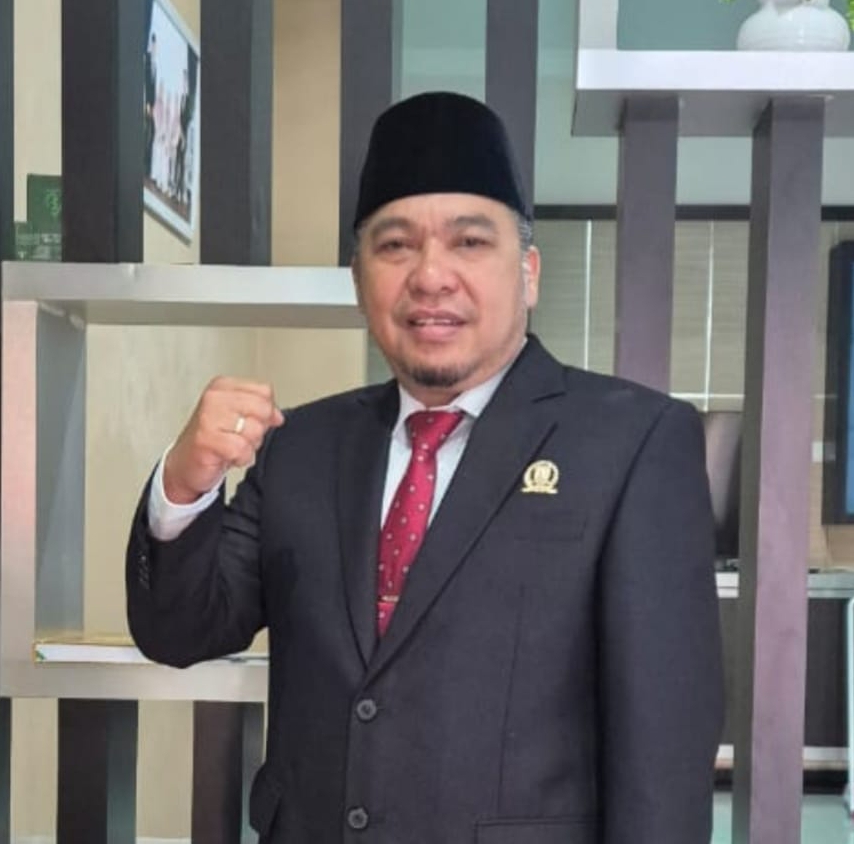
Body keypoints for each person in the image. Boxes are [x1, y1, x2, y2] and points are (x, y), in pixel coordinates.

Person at [126, 92, 724, 844]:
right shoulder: (301, 445)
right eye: (396, 246)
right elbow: (180, 632)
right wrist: (185, 485)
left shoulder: (635, 443)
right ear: (358, 280)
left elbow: (663, 759)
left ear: (529, 273)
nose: (431, 276)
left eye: (469, 242)